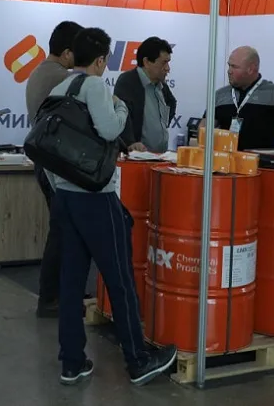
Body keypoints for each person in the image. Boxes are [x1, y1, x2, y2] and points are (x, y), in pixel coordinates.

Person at [47, 27, 177, 386]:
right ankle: (138, 360)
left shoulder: (60, 88)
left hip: (65, 195)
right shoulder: (94, 87)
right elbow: (109, 129)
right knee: (120, 278)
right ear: (102, 59)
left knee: (71, 281)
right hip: (96, 197)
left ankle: (72, 361)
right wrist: (121, 108)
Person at [25, 21, 83, 318]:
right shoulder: (63, 78)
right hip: (56, 166)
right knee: (62, 232)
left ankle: (58, 294)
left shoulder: (40, 72)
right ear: (68, 52)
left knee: (61, 230)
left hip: (45, 161)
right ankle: (51, 297)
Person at [199, 46, 274, 150]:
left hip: (259, 160)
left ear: (250, 69)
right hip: (224, 159)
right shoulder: (219, 95)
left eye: (234, 67)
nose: (229, 71)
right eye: (229, 65)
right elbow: (203, 131)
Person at [114, 36, 176, 153]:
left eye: (168, 62)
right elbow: (122, 114)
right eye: (164, 63)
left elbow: (172, 103)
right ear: (146, 62)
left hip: (160, 156)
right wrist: (131, 142)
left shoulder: (161, 85)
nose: (167, 68)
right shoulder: (128, 81)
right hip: (137, 157)